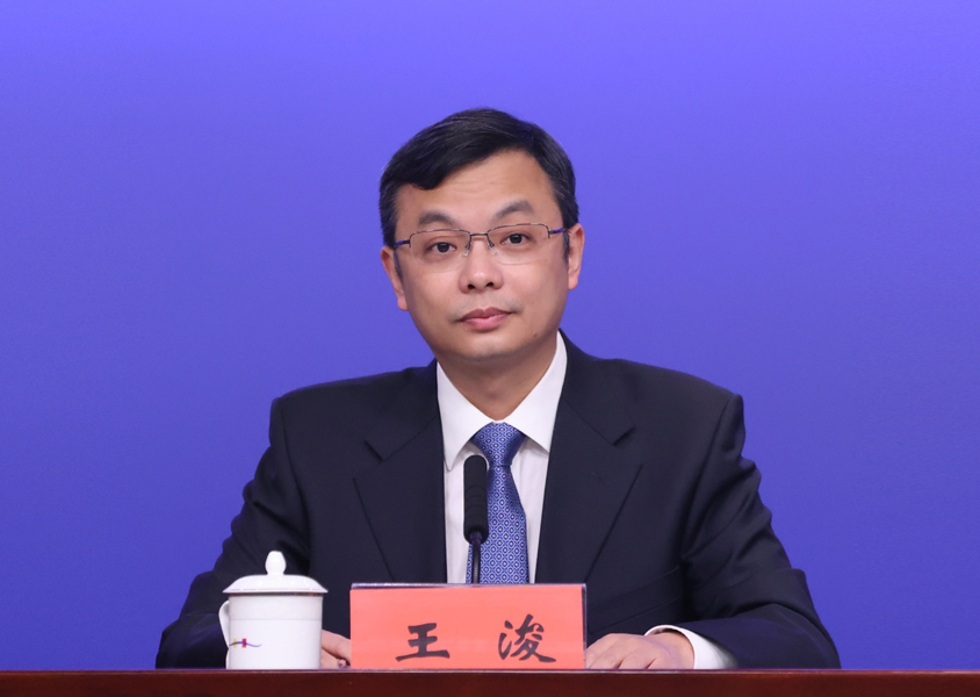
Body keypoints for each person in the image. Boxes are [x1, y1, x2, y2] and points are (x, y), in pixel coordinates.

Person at [156, 108, 839, 670]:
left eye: (514, 238)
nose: (479, 274)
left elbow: (793, 638)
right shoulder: (318, 439)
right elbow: (190, 642)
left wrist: (676, 650)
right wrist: (274, 647)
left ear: (571, 253)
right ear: (397, 277)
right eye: (441, 246)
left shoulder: (682, 429)